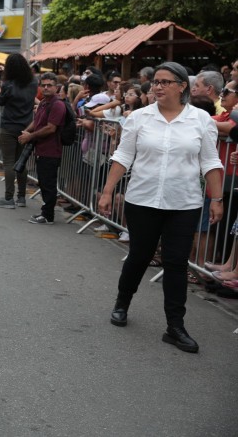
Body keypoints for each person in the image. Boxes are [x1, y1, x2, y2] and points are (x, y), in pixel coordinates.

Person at [98, 62, 223, 354]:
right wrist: (107, 192)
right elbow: (123, 156)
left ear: (182, 87)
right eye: (156, 81)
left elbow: (210, 161)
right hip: (143, 200)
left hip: (184, 202)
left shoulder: (201, 120)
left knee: (176, 264)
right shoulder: (140, 118)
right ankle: (122, 303)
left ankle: (175, 327)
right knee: (139, 256)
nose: (158, 86)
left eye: (166, 82)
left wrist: (216, 200)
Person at [0, 53, 38, 209]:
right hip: (26, 127)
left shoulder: (8, 84)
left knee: (9, 162)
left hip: (9, 126)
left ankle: (8, 198)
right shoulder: (33, 83)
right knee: (21, 162)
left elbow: (1, 101)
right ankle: (21, 198)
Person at [18, 72, 66, 224]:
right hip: (41, 149)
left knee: (48, 184)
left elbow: (51, 128)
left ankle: (48, 216)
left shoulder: (57, 104)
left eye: (49, 85)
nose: (46, 88)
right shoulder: (44, 103)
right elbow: (37, 121)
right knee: (44, 182)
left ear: (56, 87)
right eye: (43, 85)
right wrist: (27, 131)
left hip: (51, 150)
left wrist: (30, 136)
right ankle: (45, 213)